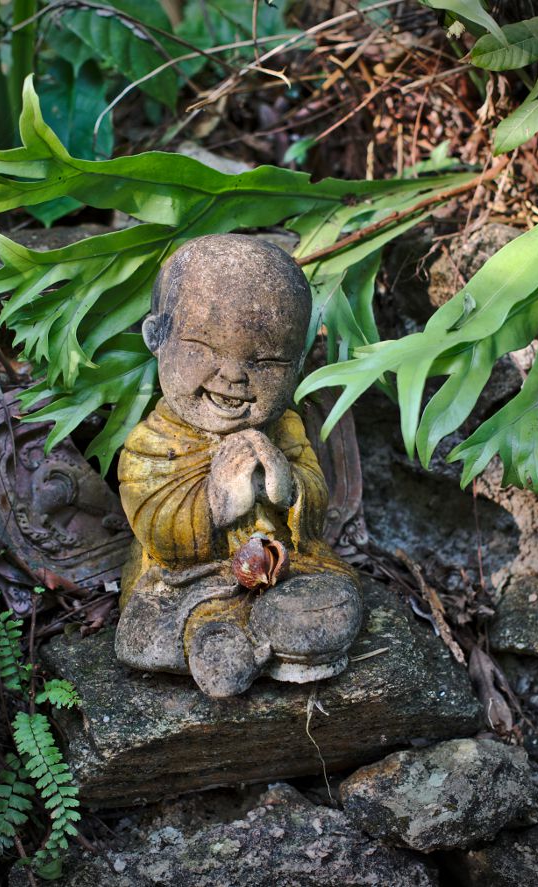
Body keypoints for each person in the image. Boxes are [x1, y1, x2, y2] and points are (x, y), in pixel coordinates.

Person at [115, 234, 362, 697]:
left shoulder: (284, 428)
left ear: (297, 366)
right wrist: (216, 504)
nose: (233, 377)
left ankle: (267, 640)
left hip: (285, 568)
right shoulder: (154, 441)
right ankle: (229, 642)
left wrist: (288, 487)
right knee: (155, 624)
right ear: (157, 337)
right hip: (186, 580)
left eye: (266, 361)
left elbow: (315, 503)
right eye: (204, 350)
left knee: (334, 600)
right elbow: (155, 524)